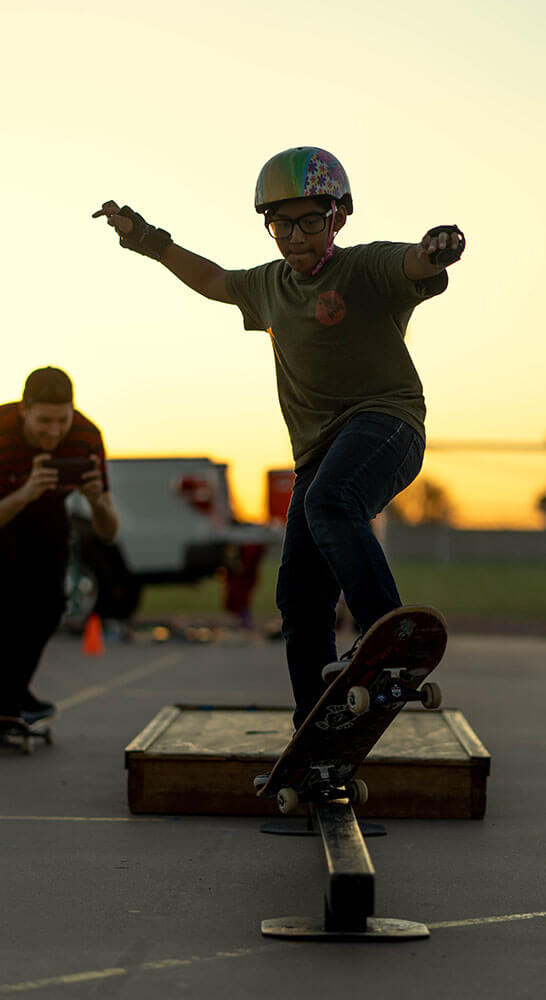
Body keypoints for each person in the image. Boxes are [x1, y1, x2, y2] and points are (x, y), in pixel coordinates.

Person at [93, 146, 465, 729]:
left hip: (386, 425)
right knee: (298, 596)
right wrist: (147, 239)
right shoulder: (268, 285)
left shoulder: (364, 267)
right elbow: (214, 278)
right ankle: (318, 723)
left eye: (310, 221)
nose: (294, 236)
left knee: (330, 502)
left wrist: (439, 246)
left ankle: (389, 640)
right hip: (318, 454)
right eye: (280, 223)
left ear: (337, 217)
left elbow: (415, 263)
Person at [0, 367, 119, 721]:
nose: (54, 431)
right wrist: (26, 492)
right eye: (44, 421)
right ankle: (6, 697)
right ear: (23, 410)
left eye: (62, 421)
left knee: (50, 601)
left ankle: (14, 692)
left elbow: (109, 531)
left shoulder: (85, 436)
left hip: (45, 498)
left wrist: (96, 501)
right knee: (1, 581)